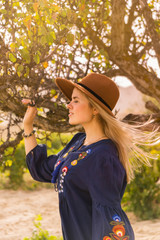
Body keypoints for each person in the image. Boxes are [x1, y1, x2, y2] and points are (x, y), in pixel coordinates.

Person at [22, 73, 157, 240]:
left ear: (95, 109)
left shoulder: (104, 157)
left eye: (76, 100)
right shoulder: (78, 143)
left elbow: (109, 220)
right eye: (70, 100)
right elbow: (40, 169)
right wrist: (28, 126)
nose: (69, 105)